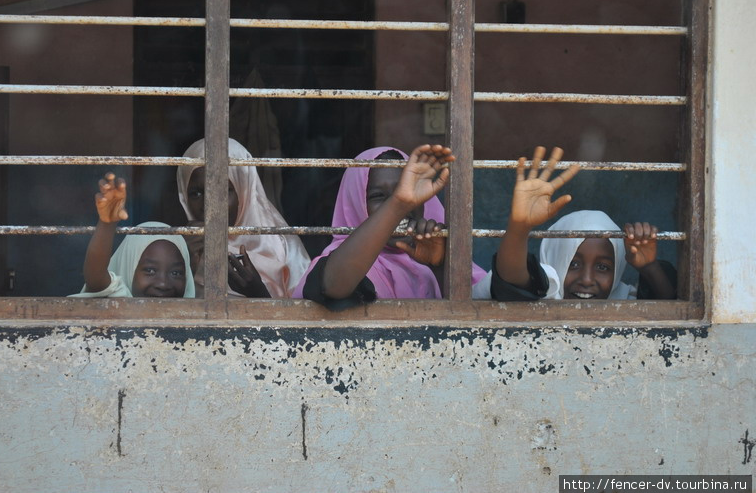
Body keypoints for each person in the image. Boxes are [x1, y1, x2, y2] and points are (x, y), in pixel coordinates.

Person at [292, 145, 487, 310]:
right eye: (378, 196)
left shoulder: (435, 258)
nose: (401, 204)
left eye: (407, 192)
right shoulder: (340, 261)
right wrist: (399, 203)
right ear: (355, 203)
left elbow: (483, 304)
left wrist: (440, 267)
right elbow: (334, 287)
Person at [490, 146, 676, 301]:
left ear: (617, 271)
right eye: (573, 264)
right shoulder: (546, 292)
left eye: (603, 267)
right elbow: (512, 281)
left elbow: (672, 311)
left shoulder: (625, 299)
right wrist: (519, 228)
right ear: (554, 259)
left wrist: (649, 268)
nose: (587, 280)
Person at [176, 138, 310, 298]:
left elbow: (306, 316)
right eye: (196, 193)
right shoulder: (179, 249)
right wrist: (183, 264)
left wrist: (258, 294)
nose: (209, 205)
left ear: (244, 190)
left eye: (222, 191)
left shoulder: (282, 245)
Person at [72, 172, 195, 298]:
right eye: (150, 270)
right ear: (128, 268)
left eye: (176, 273)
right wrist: (106, 224)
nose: (163, 284)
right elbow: (95, 278)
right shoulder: (120, 298)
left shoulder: (195, 314)